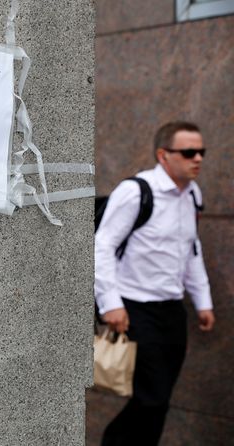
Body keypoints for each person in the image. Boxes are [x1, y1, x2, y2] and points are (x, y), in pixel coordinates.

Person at [96, 121, 215, 445]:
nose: (198, 159)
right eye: (189, 152)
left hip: (172, 311)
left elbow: (192, 249)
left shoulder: (192, 195)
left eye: (201, 151)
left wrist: (202, 301)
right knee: (152, 397)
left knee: (158, 399)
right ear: (163, 155)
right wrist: (111, 304)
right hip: (135, 309)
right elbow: (102, 244)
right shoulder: (136, 191)